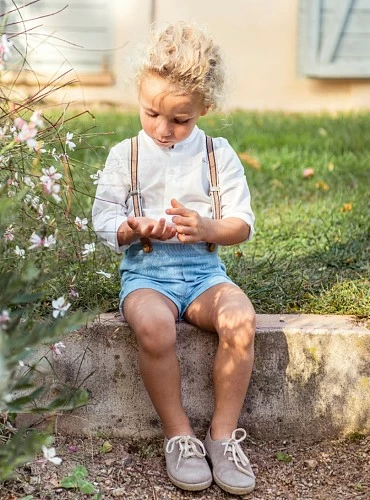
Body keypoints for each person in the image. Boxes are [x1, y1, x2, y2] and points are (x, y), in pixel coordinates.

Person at [92, 21, 256, 495]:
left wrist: (208, 228)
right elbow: (103, 217)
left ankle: (222, 436)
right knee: (154, 326)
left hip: (205, 273)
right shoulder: (125, 155)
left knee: (240, 321)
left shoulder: (216, 154)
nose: (163, 130)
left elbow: (241, 223)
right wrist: (131, 226)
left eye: (180, 120)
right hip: (146, 273)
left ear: (204, 108)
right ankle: (179, 435)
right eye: (151, 114)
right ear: (139, 98)